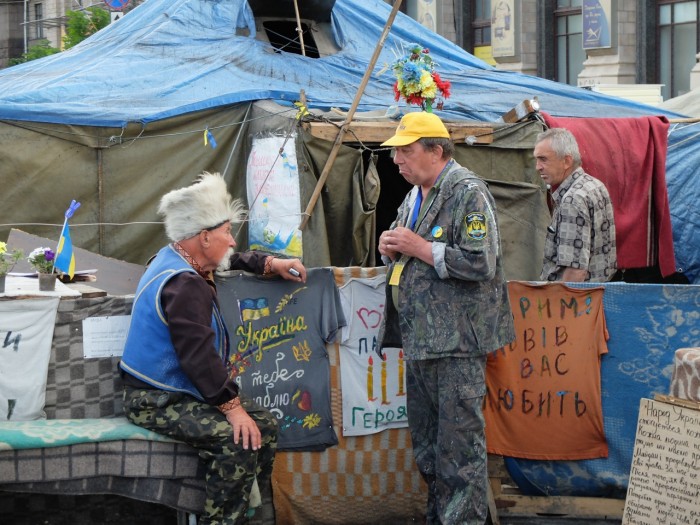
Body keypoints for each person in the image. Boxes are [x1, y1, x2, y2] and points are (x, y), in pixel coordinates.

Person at [119, 172, 306, 525]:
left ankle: (251, 514)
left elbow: (229, 259)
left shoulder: (176, 256)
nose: (232, 241)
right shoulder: (184, 285)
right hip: (154, 397)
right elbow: (198, 357)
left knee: (264, 424)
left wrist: (270, 263)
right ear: (204, 237)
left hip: (181, 389)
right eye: (226, 233)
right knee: (237, 438)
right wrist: (232, 408)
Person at [376, 112, 515, 525]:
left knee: (459, 453)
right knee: (429, 450)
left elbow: (480, 261)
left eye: (406, 150)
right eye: (396, 152)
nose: (397, 160)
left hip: (456, 344)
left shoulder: (467, 191)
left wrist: (418, 247)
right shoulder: (415, 194)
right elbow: (409, 247)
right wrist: (391, 246)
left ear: (436, 150)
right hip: (422, 340)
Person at [534, 128, 617, 282]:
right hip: (598, 294)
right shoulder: (594, 185)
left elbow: (575, 271)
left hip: (576, 301)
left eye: (543, 159)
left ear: (566, 161)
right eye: (537, 160)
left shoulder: (572, 200)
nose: (537, 167)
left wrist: (562, 304)